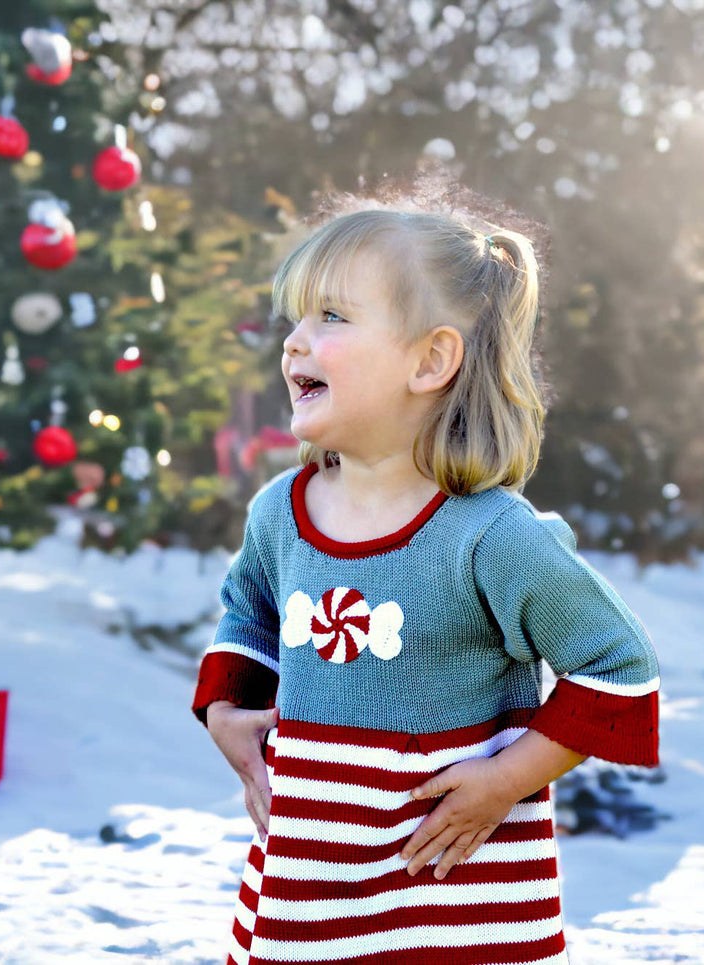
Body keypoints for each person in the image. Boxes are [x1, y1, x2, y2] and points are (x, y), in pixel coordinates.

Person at [192, 202, 660, 965]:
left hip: (453, 902)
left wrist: (506, 779)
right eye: (297, 316)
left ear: (428, 362)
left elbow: (618, 666)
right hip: (309, 888)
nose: (295, 339)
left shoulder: (489, 535)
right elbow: (247, 613)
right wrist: (225, 709)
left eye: (332, 315)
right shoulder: (280, 512)